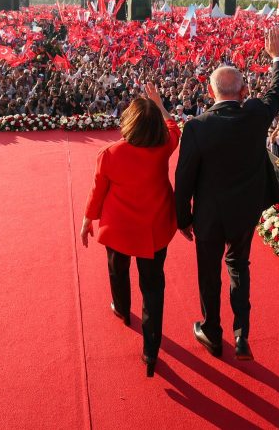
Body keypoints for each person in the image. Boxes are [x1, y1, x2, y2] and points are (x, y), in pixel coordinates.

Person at [174, 26, 279, 361]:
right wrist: (277, 57)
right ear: (243, 91)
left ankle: (212, 332)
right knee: (239, 264)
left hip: (209, 216)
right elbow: (276, 92)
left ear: (211, 93)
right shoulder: (255, 115)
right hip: (244, 212)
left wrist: (183, 219)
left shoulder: (197, 127)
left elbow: (183, 179)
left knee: (209, 274)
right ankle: (242, 334)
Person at [79, 83, 180, 377]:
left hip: (120, 228)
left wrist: (88, 219)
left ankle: (122, 309)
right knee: (153, 289)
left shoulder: (110, 153)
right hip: (155, 229)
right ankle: (151, 351)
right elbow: (174, 126)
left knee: (117, 270)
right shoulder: (165, 145)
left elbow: (98, 191)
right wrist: (159, 103)